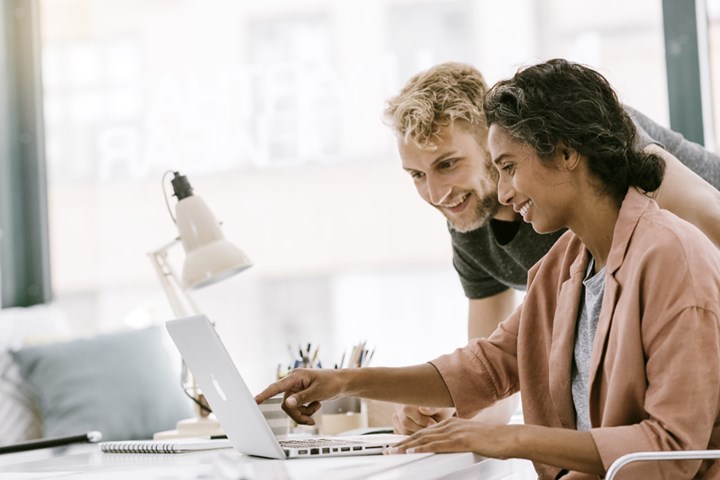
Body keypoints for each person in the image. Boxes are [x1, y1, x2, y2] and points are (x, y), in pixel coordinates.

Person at [256, 59, 720, 479]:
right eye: (417, 175)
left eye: (508, 167)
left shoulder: (668, 243)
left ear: (564, 153)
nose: (501, 193)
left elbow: (670, 450)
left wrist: (511, 440)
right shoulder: (559, 263)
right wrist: (343, 383)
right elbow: (488, 366)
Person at [383, 61, 720, 433]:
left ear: (489, 140)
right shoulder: (471, 225)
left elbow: (709, 215)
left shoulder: (585, 138)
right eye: (417, 175)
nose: (435, 194)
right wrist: (451, 412)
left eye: (448, 164)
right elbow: (496, 378)